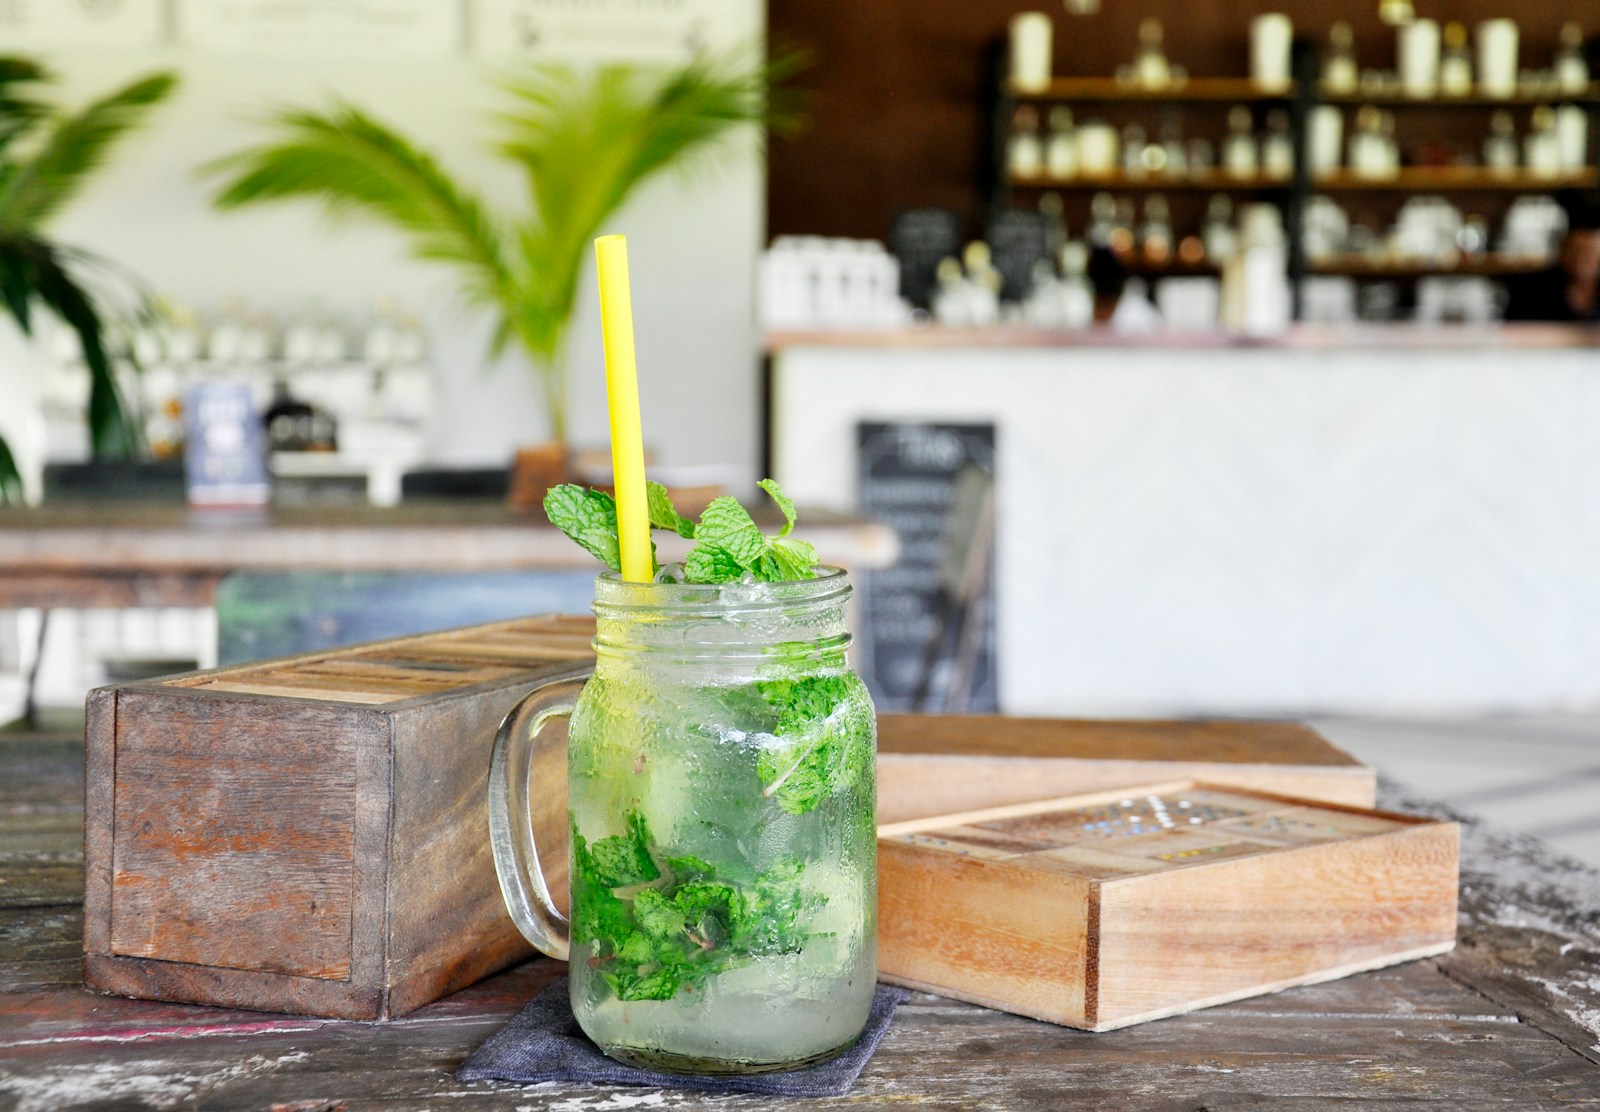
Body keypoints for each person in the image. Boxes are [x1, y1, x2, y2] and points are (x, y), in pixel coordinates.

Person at [1503, 193, 1600, 323]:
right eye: (1575, 251)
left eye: (1589, 253)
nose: (1581, 261)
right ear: (1561, 250)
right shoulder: (1530, 291)